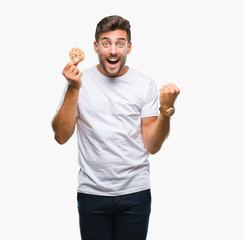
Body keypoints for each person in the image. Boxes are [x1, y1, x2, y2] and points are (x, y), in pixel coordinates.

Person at [52, 15, 180, 240]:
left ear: (129, 47)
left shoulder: (144, 84)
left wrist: (166, 111)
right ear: (96, 47)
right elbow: (61, 136)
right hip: (92, 193)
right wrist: (73, 88)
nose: (113, 50)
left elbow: (152, 145)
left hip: (135, 193)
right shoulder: (78, 82)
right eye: (106, 43)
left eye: (120, 43)